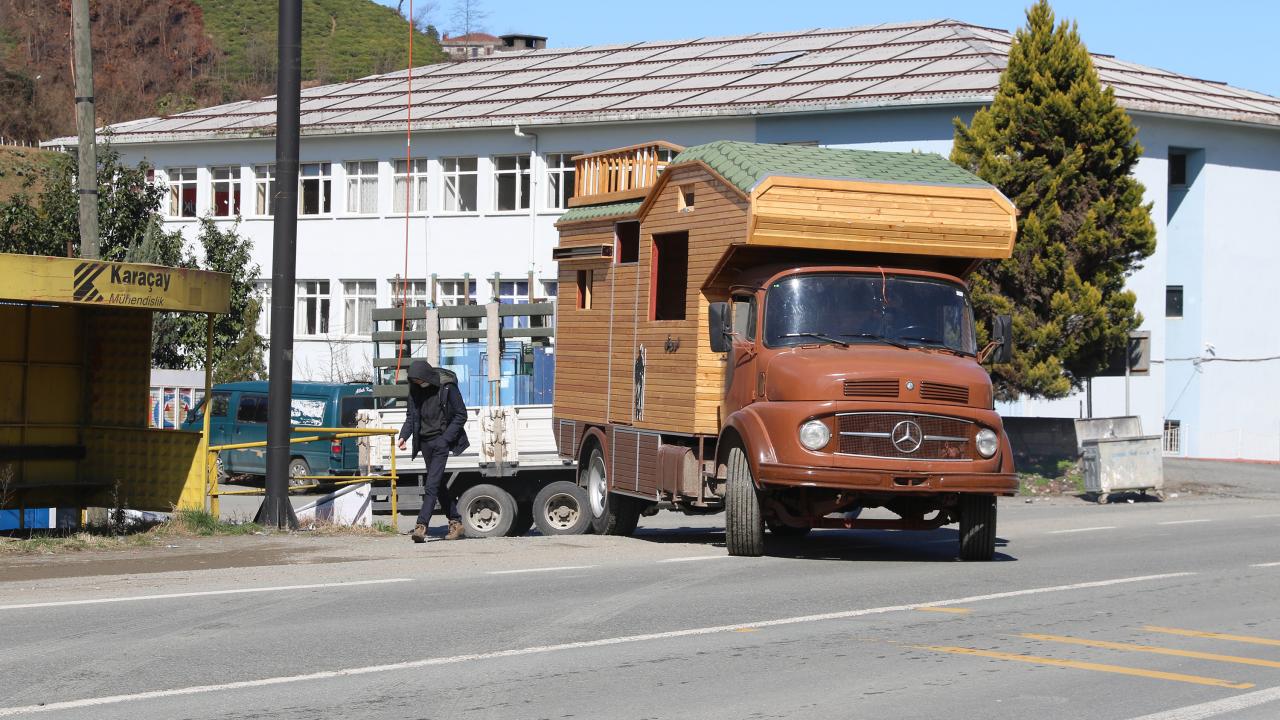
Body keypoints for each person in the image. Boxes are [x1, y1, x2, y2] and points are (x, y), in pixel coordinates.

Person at [398, 359, 470, 543]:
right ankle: (455, 522)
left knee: (431, 485)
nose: (417, 383)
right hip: (424, 443)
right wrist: (403, 436)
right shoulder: (415, 390)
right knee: (437, 484)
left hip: (441, 442)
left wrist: (445, 439)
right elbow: (410, 417)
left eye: (419, 380)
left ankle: (421, 526)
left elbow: (462, 414)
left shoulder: (447, 387)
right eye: (413, 381)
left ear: (427, 376)